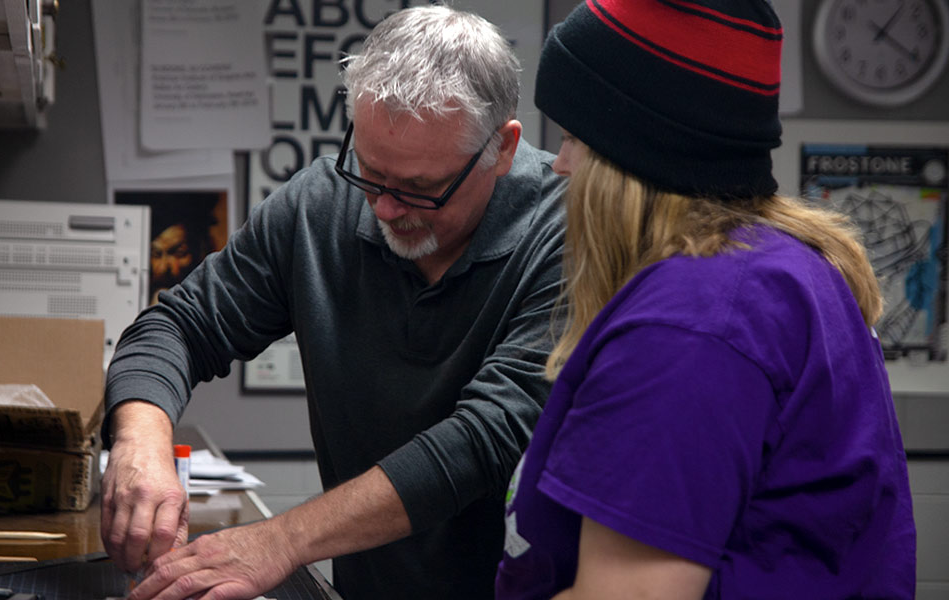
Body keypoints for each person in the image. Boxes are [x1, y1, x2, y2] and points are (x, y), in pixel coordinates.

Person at [101, 5, 566, 600]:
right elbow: (180, 325)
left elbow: (485, 438)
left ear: (501, 149)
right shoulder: (320, 205)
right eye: (370, 172)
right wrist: (140, 443)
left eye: (422, 189)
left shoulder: (569, 229)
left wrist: (281, 540)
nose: (385, 209)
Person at [496, 1, 917, 599]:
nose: (560, 166)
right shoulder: (783, 269)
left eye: (572, 138)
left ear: (636, 153)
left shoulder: (690, 326)